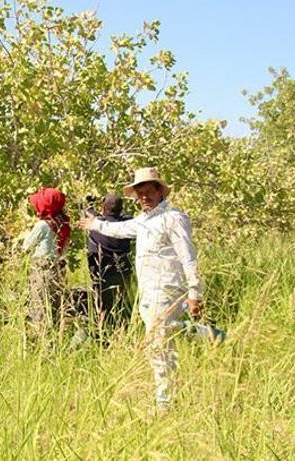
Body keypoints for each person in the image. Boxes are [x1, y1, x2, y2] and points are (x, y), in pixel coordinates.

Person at [79, 167, 204, 410]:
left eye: (149, 192)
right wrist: (95, 224)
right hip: (148, 292)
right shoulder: (145, 221)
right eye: (141, 194)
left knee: (158, 346)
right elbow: (120, 230)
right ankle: (207, 335)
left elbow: (189, 256)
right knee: (163, 339)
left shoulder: (173, 218)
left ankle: (164, 403)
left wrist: (195, 292)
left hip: (167, 290)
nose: (144, 197)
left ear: (160, 191)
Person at [22, 187, 72, 338]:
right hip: (57, 269)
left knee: (39, 307)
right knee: (54, 308)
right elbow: (64, 250)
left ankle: (42, 343)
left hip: (41, 269)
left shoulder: (43, 225)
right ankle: (54, 340)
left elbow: (26, 247)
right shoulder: (64, 225)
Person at [86, 193, 133, 332]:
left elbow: (89, 214)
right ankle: (123, 331)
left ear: (103, 207)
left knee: (103, 305)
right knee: (122, 303)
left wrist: (90, 205)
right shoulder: (127, 224)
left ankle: (103, 331)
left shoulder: (97, 225)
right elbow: (127, 216)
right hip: (122, 269)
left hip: (102, 270)